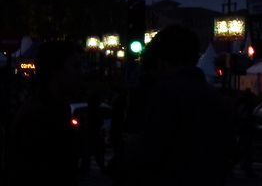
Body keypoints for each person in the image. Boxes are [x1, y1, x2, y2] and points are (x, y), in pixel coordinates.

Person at [111, 25, 235, 185]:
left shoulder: (167, 92)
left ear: (161, 63)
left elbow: (150, 151)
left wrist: (132, 145)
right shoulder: (216, 98)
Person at [3, 39, 84, 185]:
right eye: (75, 66)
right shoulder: (41, 116)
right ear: (55, 69)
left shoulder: (43, 108)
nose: (81, 73)